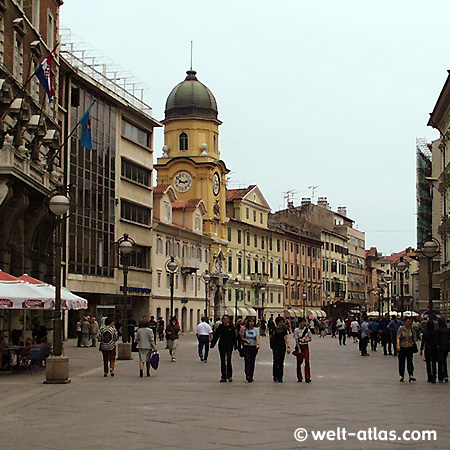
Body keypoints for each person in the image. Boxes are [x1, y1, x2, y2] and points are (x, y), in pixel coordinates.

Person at [210, 314, 237, 382]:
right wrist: (213, 344)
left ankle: (229, 375)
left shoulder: (231, 327)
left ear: (228, 320)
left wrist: (235, 346)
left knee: (228, 360)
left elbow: (234, 337)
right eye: (224, 319)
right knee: (222, 361)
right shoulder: (220, 327)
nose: (225, 320)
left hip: (229, 346)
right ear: (222, 320)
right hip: (222, 345)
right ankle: (223, 376)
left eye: (226, 319)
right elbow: (216, 336)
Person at [270, 316, 290, 382]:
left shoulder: (284, 329)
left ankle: (280, 376)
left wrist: (288, 346)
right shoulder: (273, 329)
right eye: (281, 322)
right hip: (275, 346)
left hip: (282, 346)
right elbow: (270, 337)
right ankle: (275, 375)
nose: (282, 323)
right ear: (277, 322)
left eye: (283, 322)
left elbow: (286, 338)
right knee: (276, 360)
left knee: (281, 361)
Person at [241, 317, 260, 382]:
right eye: (250, 321)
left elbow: (257, 337)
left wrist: (257, 344)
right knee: (247, 360)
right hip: (247, 347)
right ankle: (247, 375)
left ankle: (251, 374)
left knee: (252, 361)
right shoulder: (245, 329)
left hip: (253, 347)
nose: (252, 323)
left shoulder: (256, 329)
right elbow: (242, 337)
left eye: (253, 322)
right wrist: (246, 340)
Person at [397, 317, 416, 383]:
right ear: (404, 322)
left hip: (409, 347)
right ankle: (402, 375)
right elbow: (398, 338)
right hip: (402, 346)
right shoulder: (401, 329)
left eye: (410, 322)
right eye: (408, 321)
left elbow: (414, 337)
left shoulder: (411, 329)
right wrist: (398, 346)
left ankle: (411, 375)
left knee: (410, 361)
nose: (409, 323)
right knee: (402, 362)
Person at [294, 317, 312, 383]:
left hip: (305, 346)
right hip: (299, 346)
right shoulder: (296, 330)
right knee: (299, 362)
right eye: (302, 322)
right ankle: (299, 377)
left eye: (304, 322)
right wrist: (298, 348)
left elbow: (310, 338)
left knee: (307, 361)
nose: (303, 324)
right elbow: (296, 340)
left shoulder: (307, 330)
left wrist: (306, 340)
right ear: (299, 323)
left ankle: (307, 377)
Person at [420, 319, 438, 383]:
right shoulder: (435, 332)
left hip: (427, 348)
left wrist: (421, 349)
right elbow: (437, 341)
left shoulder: (425, 332)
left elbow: (423, 341)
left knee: (428, 363)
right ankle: (434, 377)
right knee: (433, 363)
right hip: (434, 348)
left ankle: (429, 376)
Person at [436, 318, 449, 382]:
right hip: (446, 347)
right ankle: (445, 375)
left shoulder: (438, 330)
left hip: (440, 347)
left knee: (440, 361)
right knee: (444, 360)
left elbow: (437, 339)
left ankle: (440, 376)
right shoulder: (447, 330)